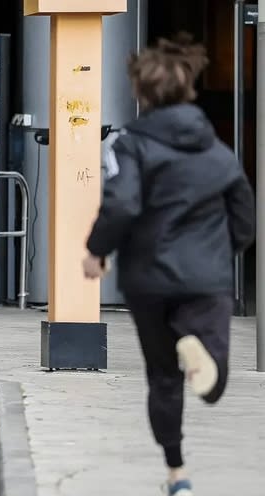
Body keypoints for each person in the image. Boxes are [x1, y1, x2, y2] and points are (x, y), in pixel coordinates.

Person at [81, 34, 254, 496]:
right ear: (188, 88)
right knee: (211, 383)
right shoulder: (218, 152)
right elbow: (244, 215)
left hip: (149, 279)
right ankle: (197, 344)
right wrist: (221, 255)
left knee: (162, 378)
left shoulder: (130, 145)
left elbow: (121, 204)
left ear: (141, 93)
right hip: (206, 280)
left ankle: (177, 474)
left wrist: (96, 251)